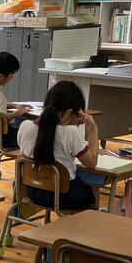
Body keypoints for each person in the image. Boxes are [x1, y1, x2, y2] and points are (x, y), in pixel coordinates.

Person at [17, 81, 99, 211]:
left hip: (33, 191)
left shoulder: (25, 126)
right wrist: (93, 129)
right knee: (94, 186)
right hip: (63, 196)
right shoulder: (70, 132)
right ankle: (88, 220)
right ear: (69, 112)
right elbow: (92, 163)